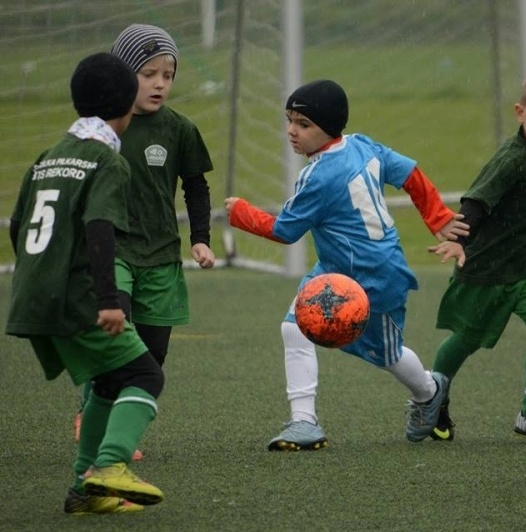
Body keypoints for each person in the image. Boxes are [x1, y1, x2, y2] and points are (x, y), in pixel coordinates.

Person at [224, 79, 468, 449]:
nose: (292, 131)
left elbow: (284, 231)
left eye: (303, 124)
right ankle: (304, 422)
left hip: (375, 275)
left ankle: (429, 392)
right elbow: (410, 173)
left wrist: (240, 213)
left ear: (328, 127)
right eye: (289, 120)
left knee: (388, 355)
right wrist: (437, 216)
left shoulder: (320, 176)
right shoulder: (360, 144)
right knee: (294, 328)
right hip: (334, 271)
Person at [5, 52, 164, 514]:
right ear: (128, 106)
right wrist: (109, 300)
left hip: (34, 294)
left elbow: (17, 225)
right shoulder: (106, 161)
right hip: (77, 296)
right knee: (144, 374)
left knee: (109, 381)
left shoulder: (49, 156)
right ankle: (110, 465)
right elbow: (99, 227)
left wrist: (39, 276)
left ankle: (83, 491)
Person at [72, 24, 216, 460]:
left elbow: (196, 187)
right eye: (148, 73)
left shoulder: (180, 129)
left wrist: (200, 239)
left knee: (152, 354)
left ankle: (115, 416)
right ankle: (96, 418)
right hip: (113, 250)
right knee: (118, 338)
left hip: (160, 254)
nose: (159, 84)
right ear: (122, 75)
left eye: (167, 75)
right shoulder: (102, 130)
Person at [427, 68, 526, 444]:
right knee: (466, 340)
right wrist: (459, 240)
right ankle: (432, 397)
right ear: (520, 112)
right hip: (488, 269)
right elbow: (477, 202)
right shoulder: (512, 159)